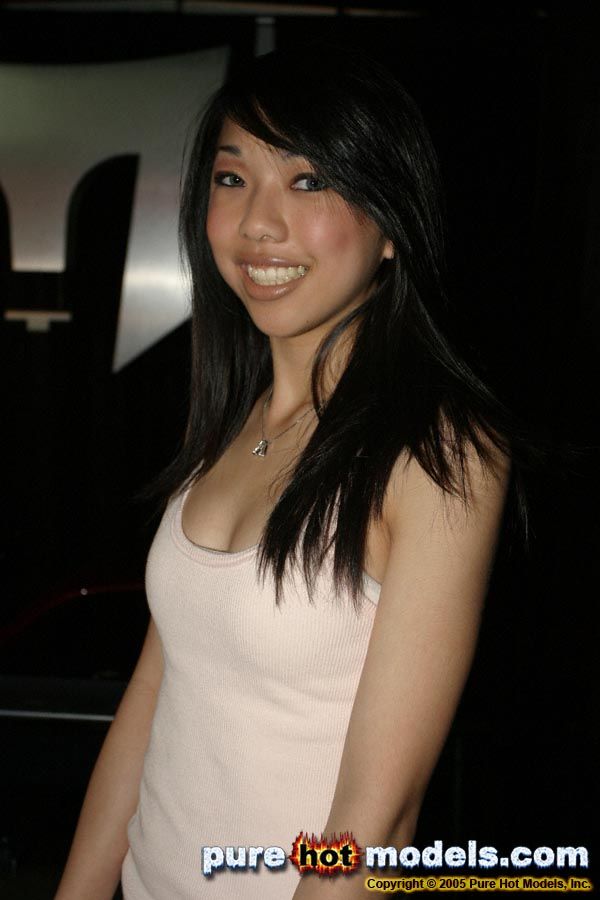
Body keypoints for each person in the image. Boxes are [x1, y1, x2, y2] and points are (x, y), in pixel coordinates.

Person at [55, 44, 531, 900]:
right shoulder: (226, 424)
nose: (258, 224)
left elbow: (376, 824)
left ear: (392, 225)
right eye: (233, 178)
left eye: (309, 181)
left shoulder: (439, 454)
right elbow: (155, 697)